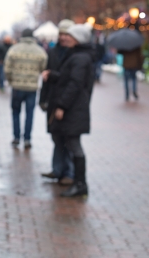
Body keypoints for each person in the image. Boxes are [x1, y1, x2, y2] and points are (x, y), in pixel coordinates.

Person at [42, 24, 94, 198]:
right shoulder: (77, 56)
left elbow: (74, 84)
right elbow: (68, 78)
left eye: (70, 36)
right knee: (71, 144)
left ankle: (80, 183)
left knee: (74, 146)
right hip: (74, 108)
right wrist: (53, 76)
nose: (66, 38)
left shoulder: (80, 58)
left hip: (74, 110)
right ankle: (79, 182)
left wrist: (62, 106)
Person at [39, 19, 75, 185]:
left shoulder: (75, 54)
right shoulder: (52, 52)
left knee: (67, 138)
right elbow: (46, 77)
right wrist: (43, 99)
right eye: (61, 34)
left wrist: (53, 75)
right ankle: (57, 169)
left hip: (68, 103)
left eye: (67, 34)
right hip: (54, 100)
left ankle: (68, 172)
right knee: (56, 137)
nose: (64, 37)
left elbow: (71, 80)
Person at [4, 29, 47, 149]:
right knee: (30, 114)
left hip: (17, 87)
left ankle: (16, 137)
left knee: (16, 112)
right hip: (32, 88)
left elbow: (7, 68)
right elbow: (44, 67)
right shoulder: (40, 51)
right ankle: (27, 139)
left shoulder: (14, 49)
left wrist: (11, 80)